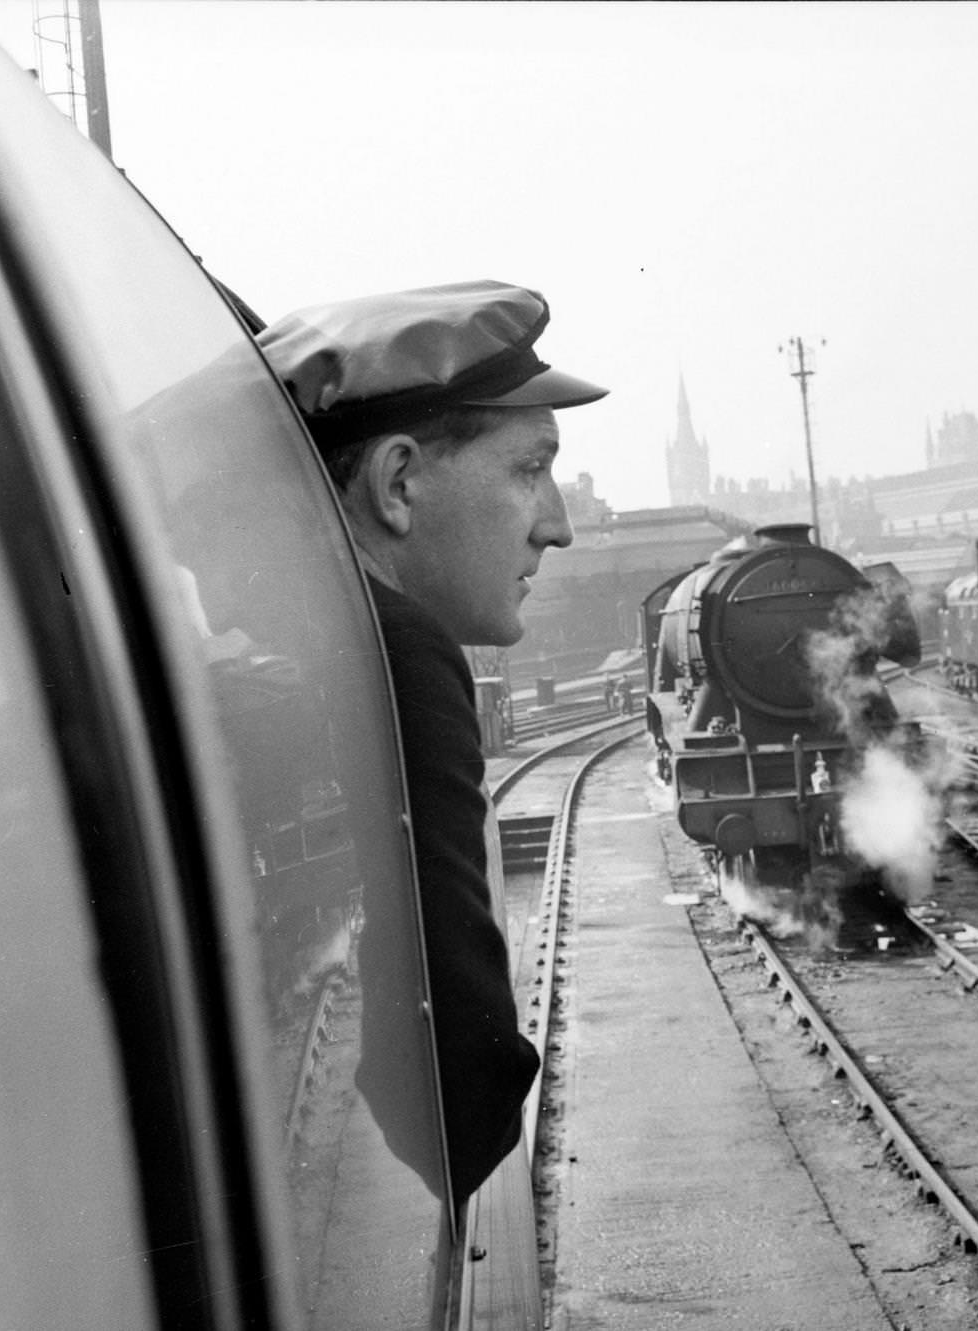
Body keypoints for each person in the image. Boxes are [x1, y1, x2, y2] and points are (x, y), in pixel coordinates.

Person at [258, 280, 607, 1204]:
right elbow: (462, 1110)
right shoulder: (393, 656)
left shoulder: (276, 630)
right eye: (531, 469)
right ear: (400, 483)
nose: (558, 525)